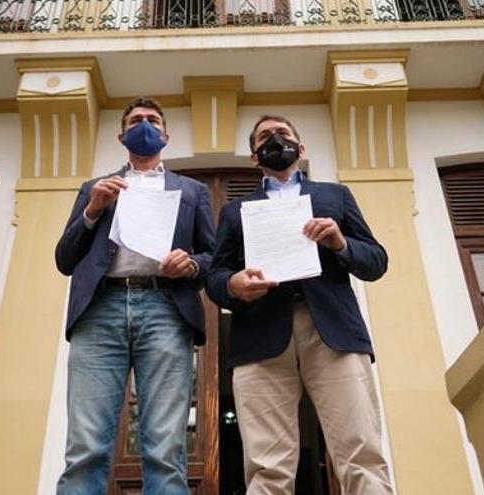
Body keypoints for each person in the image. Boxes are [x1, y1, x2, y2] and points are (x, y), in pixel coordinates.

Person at [205, 115, 393, 494]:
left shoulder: (335, 196)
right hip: (259, 336)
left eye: (284, 134)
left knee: (361, 453)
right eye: (265, 137)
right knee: (266, 465)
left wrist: (341, 244)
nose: (276, 140)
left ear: (300, 149)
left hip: (333, 332)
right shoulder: (235, 211)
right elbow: (215, 274)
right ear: (255, 156)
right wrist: (233, 285)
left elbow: (376, 261)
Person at [54, 97, 215, 495]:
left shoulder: (192, 191)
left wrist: (191, 264)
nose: (145, 125)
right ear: (122, 134)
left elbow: (214, 256)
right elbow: (65, 257)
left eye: (152, 120)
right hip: (100, 310)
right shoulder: (95, 187)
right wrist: (92, 210)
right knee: (85, 447)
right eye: (136, 120)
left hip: (165, 309)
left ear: (165, 134)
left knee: (165, 446)